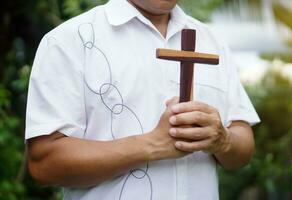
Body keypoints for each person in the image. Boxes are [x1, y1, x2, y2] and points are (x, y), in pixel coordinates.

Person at [25, 0, 260, 199]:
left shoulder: (212, 41)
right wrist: (153, 144)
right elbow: (44, 164)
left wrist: (223, 140)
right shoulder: (69, 41)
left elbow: (243, 142)